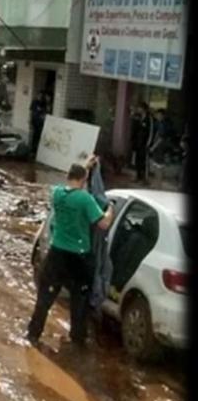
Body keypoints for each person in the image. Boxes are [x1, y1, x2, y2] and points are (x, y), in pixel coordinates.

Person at [26, 160, 115, 348]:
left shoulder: (57, 193)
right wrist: (110, 209)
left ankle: (33, 334)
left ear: (68, 177)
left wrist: (85, 165)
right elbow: (104, 224)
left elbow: (74, 178)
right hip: (79, 259)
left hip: (56, 255)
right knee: (79, 301)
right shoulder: (85, 199)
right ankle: (77, 339)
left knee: (45, 298)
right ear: (84, 180)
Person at [131, 102, 154, 184]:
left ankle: (145, 179)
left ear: (144, 109)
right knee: (137, 161)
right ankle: (138, 177)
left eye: (140, 108)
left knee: (144, 161)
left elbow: (151, 132)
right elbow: (135, 130)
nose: (139, 110)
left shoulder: (149, 119)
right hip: (138, 143)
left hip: (144, 143)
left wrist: (148, 144)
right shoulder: (138, 117)